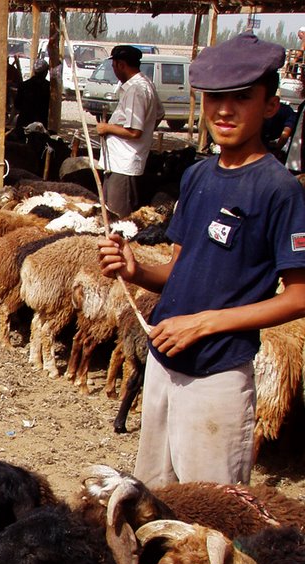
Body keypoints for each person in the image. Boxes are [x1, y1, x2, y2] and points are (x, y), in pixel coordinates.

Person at [97, 33, 305, 487]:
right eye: (214, 98)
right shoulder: (196, 176)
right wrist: (135, 271)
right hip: (164, 361)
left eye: (242, 98)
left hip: (218, 372)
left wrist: (205, 323)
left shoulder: (279, 190)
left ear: (270, 105)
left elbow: (298, 298)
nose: (224, 111)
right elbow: (177, 271)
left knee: (213, 512)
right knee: (153, 497)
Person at [95, 44, 164, 218]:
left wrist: (106, 127)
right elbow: (160, 114)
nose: (114, 69)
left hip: (123, 163)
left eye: (114, 66)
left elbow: (134, 132)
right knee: (108, 210)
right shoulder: (146, 83)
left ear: (121, 65)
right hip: (120, 161)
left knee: (117, 215)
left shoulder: (135, 90)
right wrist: (147, 133)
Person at [14, 58, 50, 129]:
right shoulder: (49, 87)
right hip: (41, 126)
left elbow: (17, 105)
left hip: (23, 125)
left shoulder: (23, 85)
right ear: (46, 72)